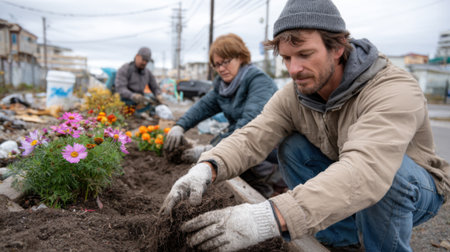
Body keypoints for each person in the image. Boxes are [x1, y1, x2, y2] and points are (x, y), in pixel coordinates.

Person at [159, 0, 449, 251]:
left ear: (338, 47)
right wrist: (207, 167)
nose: (293, 69)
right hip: (348, 180)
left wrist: (270, 217)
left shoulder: (391, 88)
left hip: (412, 189)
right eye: (286, 58)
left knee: (391, 170)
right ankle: (339, 242)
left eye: (305, 54)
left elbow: (367, 169)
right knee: (291, 146)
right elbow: (253, 135)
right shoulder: (296, 93)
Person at [164, 33, 285, 198]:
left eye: (226, 62)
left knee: (254, 182)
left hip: (271, 147)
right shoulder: (222, 86)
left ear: (241, 57)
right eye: (217, 64)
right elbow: (202, 107)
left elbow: (250, 124)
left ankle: (272, 187)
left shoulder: (258, 81)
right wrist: (180, 126)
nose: (221, 68)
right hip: (243, 142)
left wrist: (212, 149)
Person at [115, 47, 163, 116]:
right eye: (143, 59)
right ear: (137, 56)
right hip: (126, 100)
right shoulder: (125, 69)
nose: (144, 62)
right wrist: (133, 95)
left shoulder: (147, 73)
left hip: (140, 101)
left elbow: (155, 87)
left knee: (154, 104)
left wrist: (158, 94)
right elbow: (120, 88)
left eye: (147, 61)